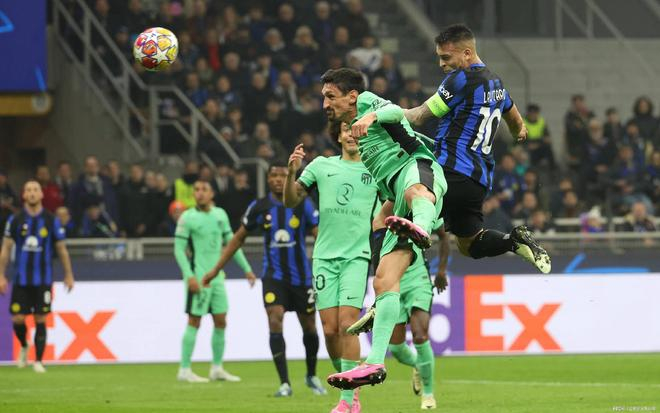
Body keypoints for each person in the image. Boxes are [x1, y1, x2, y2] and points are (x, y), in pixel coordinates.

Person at [319, 68, 447, 390]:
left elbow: (396, 112)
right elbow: (386, 187)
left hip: (418, 166)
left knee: (416, 193)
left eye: (330, 96)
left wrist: (372, 115)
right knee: (383, 280)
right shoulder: (358, 138)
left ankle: (421, 228)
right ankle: (375, 362)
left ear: (351, 96)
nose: (325, 104)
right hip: (397, 194)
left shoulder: (365, 102)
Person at [401, 24, 550, 274]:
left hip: (449, 172)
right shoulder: (496, 84)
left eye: (446, 57)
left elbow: (417, 117)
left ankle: (388, 291)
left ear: (467, 53)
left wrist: (382, 111)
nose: (441, 64)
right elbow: (516, 121)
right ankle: (513, 241)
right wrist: (519, 132)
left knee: (396, 216)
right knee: (470, 245)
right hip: (476, 182)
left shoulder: (459, 80)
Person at [202, 164, 327, 397]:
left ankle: (311, 376)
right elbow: (237, 239)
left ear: (290, 178)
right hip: (273, 277)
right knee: (274, 319)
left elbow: (320, 236)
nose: (278, 179)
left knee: (309, 326)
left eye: (283, 175)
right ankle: (285, 383)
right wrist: (215, 269)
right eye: (274, 175)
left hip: (302, 277)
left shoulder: (303, 203)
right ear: (267, 179)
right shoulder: (259, 207)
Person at [284, 121, 379, 413]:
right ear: (338, 136)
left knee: (347, 325)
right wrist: (290, 174)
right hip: (324, 258)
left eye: (356, 130)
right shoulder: (321, 166)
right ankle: (351, 380)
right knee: (329, 330)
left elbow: (385, 210)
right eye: (346, 130)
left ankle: (348, 400)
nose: (351, 134)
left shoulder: (375, 170)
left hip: (356, 257)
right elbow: (290, 201)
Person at [173, 180, 255, 383]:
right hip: (198, 277)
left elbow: (232, 245)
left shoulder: (220, 215)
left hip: (217, 278)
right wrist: (189, 276)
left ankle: (217, 368)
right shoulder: (187, 217)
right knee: (194, 320)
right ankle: (184, 369)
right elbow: (179, 250)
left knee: (221, 320)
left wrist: (247, 269)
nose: (199, 193)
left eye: (204, 189)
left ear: (212, 194)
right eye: (196, 190)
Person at [0, 180, 75, 373]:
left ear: (41, 194)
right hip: (21, 279)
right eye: (28, 190)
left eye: (35, 190)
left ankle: (39, 361)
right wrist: (1, 275)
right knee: (18, 318)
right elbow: (6, 248)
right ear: (24, 195)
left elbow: (62, 249)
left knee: (40, 318)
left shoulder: (51, 220)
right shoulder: (15, 220)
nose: (32, 193)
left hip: (43, 279)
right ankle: (24, 346)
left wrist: (68, 275)